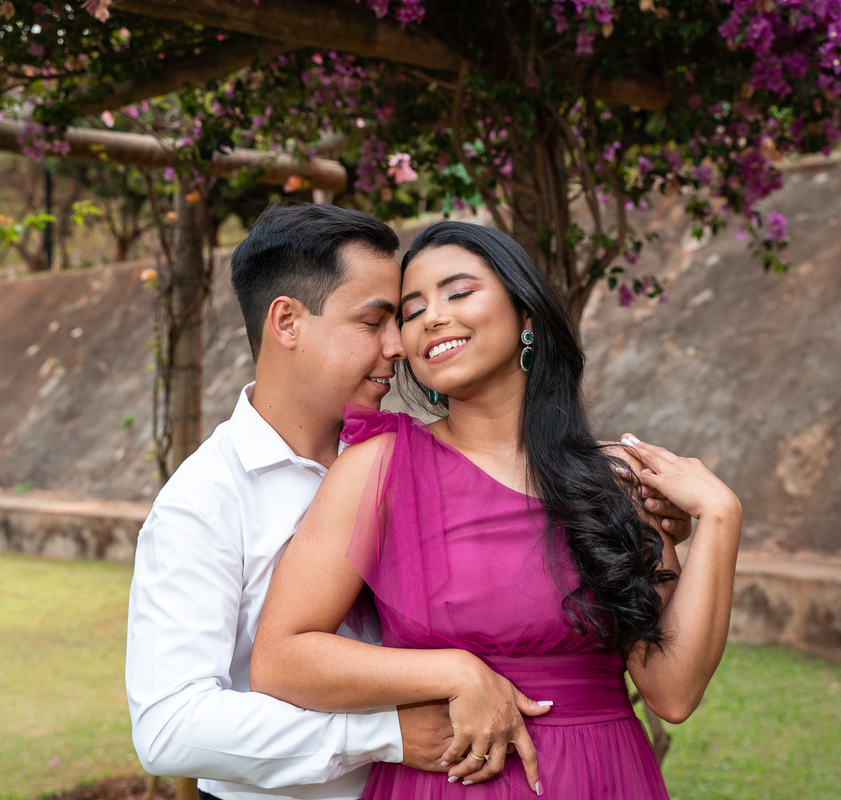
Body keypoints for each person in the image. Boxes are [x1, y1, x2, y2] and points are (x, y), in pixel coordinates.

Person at [125, 204, 695, 800]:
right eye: (376, 321)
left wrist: (628, 535)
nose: (401, 344)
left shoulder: (400, 455)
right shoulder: (204, 502)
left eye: (400, 320)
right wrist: (386, 733)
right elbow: (169, 728)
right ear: (288, 323)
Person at [250, 221, 743, 798]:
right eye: (412, 311)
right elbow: (281, 660)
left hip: (604, 777)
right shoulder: (379, 468)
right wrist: (453, 671)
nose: (432, 317)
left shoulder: (614, 481)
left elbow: (673, 692)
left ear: (525, 313)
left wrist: (720, 516)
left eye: (459, 293)